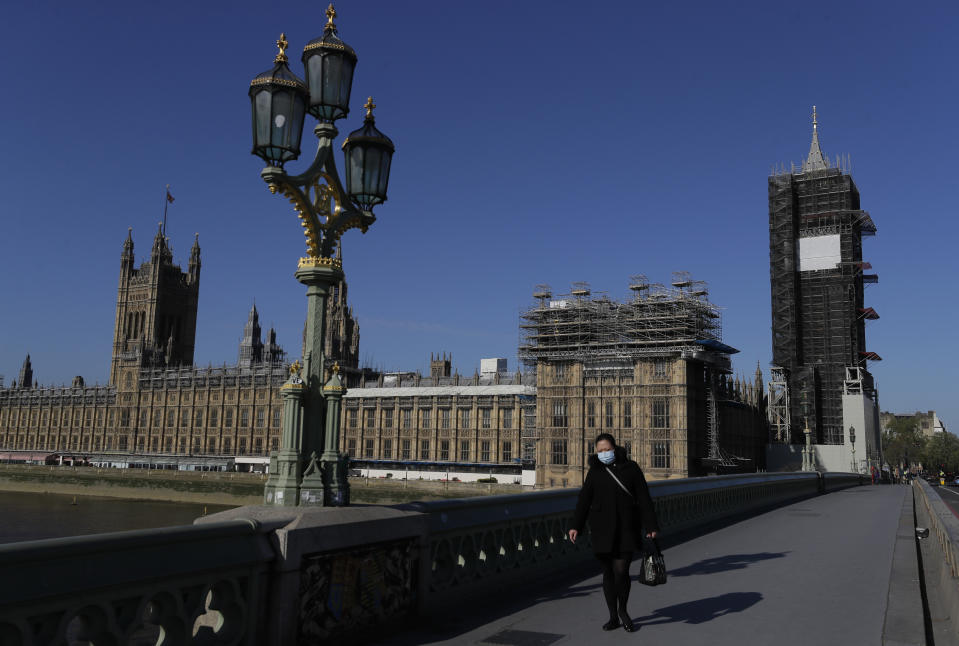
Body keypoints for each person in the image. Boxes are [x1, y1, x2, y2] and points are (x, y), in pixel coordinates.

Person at [568, 433, 660, 632]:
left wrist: (651, 527)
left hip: (627, 528)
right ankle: (612, 617)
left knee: (622, 572)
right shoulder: (595, 471)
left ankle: (623, 611)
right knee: (608, 573)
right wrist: (576, 525)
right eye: (600, 451)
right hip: (601, 529)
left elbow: (644, 498)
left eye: (607, 450)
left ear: (615, 448)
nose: (604, 454)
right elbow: (584, 499)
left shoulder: (631, 468)